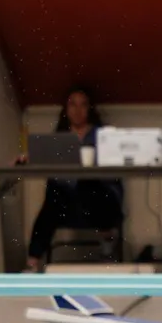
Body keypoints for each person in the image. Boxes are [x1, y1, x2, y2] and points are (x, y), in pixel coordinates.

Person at [22, 86, 123, 271]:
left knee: (88, 180)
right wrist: (29, 157)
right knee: (53, 196)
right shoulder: (60, 136)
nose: (77, 110)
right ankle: (32, 262)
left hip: (99, 200)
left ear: (90, 108)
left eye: (83, 105)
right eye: (72, 104)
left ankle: (107, 241)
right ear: (66, 109)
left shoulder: (103, 134)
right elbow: (45, 158)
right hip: (68, 203)